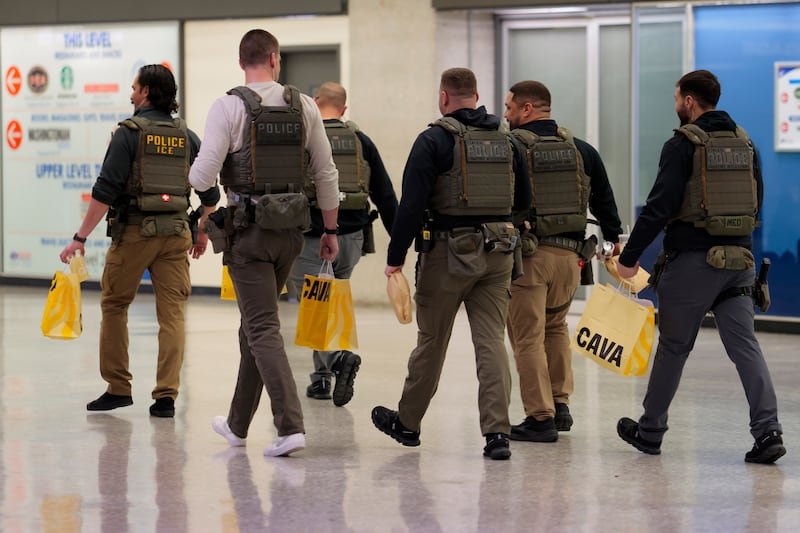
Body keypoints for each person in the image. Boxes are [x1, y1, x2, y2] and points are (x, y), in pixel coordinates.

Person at [616, 69, 785, 464]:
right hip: (739, 262)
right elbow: (756, 201)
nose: (676, 105)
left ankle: (651, 431)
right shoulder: (746, 143)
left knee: (674, 347)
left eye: (677, 98)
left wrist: (628, 259)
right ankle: (769, 431)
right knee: (746, 348)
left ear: (689, 101)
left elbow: (659, 207)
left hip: (692, 262)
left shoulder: (682, 144)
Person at [189, 29, 339, 457]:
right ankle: (237, 425)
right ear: (275, 59)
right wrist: (329, 231)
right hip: (291, 234)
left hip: (248, 235)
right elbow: (327, 173)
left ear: (242, 63)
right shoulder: (304, 105)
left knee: (261, 328)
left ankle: (290, 426)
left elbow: (202, 177)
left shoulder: (228, 106)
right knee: (253, 328)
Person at [371, 67, 531, 460]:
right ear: (476, 96)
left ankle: (408, 423)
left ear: (444, 97)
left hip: (447, 254)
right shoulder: (507, 142)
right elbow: (524, 200)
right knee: (491, 342)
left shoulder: (433, 140)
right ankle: (497, 434)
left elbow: (410, 206)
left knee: (432, 341)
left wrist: (395, 258)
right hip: (499, 252)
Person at [59, 64, 221, 418]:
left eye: (134, 88)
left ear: (146, 91)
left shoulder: (128, 134)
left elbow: (104, 192)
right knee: (172, 314)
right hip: (177, 235)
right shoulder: (188, 136)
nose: (131, 94)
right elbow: (210, 194)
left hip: (134, 232)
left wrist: (79, 238)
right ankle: (166, 397)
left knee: (115, 305)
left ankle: (118, 388)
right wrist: (202, 230)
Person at [503, 80, 622, 442]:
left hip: (530, 257)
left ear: (527, 109)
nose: (505, 114)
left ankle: (540, 418)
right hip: (572, 259)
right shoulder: (581, 149)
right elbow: (604, 198)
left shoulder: (512, 148)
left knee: (527, 337)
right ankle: (560, 404)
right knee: (555, 328)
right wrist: (614, 239)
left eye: (509, 107)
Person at [289, 81, 398, 406]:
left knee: (316, 303)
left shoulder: (305, 138)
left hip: (313, 234)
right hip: (352, 235)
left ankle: (337, 360)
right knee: (330, 302)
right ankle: (322, 379)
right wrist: (400, 244)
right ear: (344, 108)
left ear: (315, 102)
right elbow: (385, 193)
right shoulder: (361, 141)